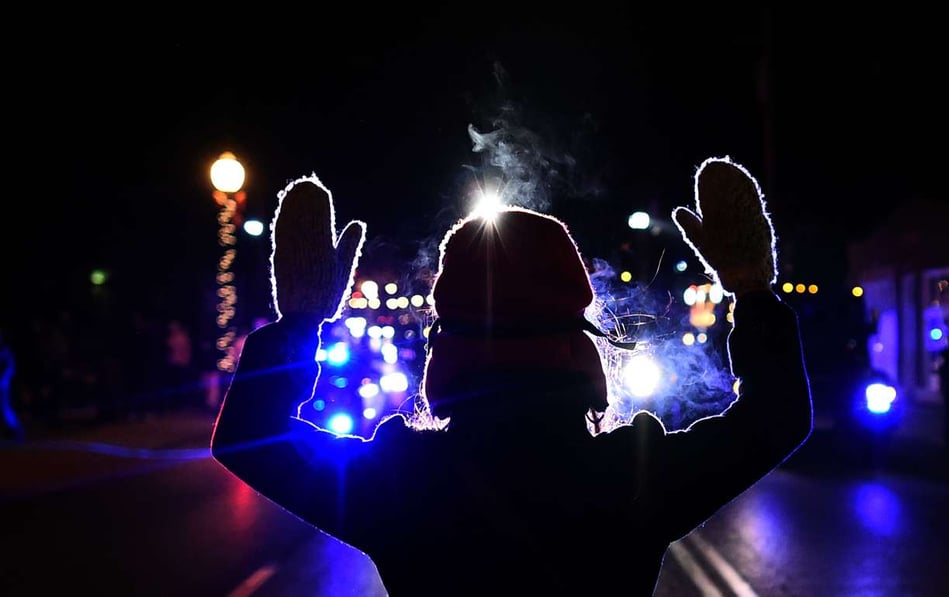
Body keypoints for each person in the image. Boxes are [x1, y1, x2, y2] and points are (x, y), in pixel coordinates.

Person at [211, 158, 813, 596]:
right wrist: (753, 293)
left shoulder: (401, 483)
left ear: (446, 344)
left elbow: (245, 439)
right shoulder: (632, 476)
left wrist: (300, 322)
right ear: (578, 339)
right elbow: (777, 418)